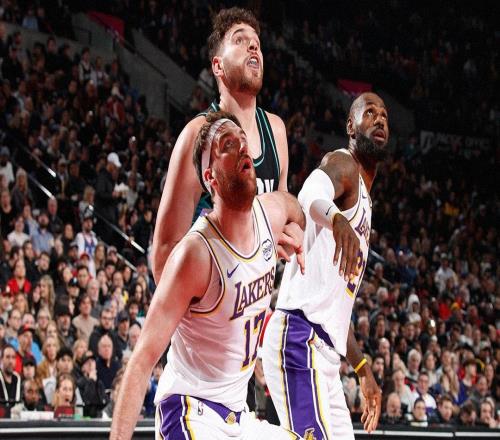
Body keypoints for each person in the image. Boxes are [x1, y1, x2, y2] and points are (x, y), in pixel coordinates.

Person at [110, 112, 305, 439]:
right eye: (228, 145)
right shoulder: (195, 255)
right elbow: (142, 360)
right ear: (210, 177)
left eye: (243, 141)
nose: (242, 148)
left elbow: (293, 206)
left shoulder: (270, 213)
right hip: (189, 411)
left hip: (237, 416)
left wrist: (297, 228)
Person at [262, 92, 389, 439]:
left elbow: (334, 310)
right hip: (299, 339)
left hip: (325, 356)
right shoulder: (344, 164)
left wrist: (362, 368)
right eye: (370, 113)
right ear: (351, 126)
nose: (379, 119)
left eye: (384, 115)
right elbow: (308, 194)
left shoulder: (365, 202)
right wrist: (335, 218)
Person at [151, 7, 290, 284]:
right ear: (218, 66)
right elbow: (164, 256)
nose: (253, 46)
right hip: (209, 299)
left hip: (254, 298)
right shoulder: (197, 134)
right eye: (239, 40)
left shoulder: (276, 130)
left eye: (256, 43)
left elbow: (283, 216)